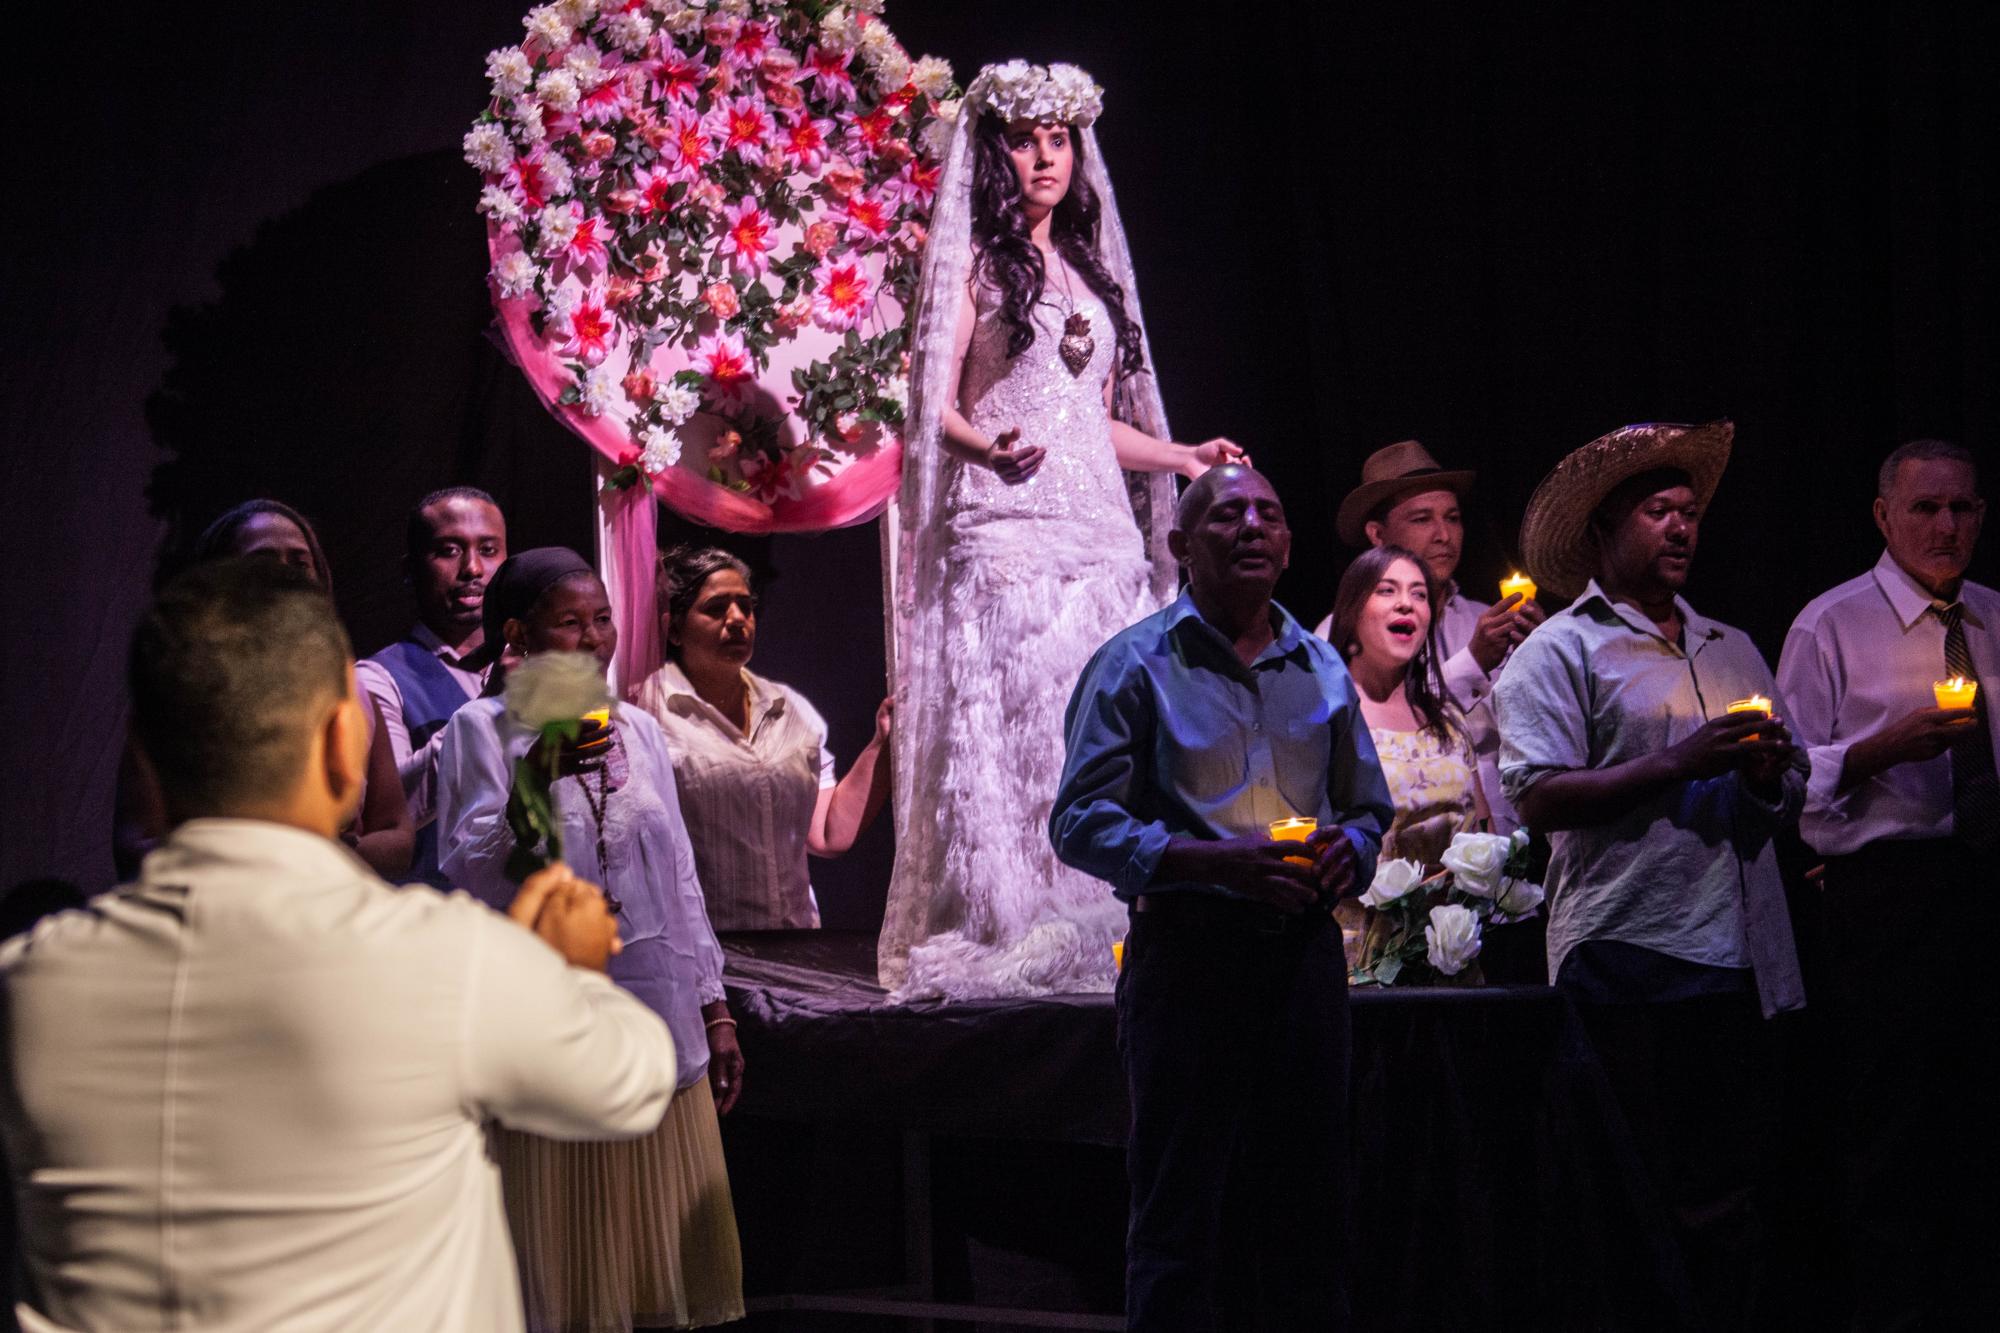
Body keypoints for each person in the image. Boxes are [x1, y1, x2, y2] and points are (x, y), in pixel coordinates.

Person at [1, 558, 675, 1333]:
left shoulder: (28, 985)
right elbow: (632, 1080)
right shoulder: (442, 962)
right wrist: (570, 967)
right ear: (343, 743)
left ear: (144, 762)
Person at [882, 61, 1245, 999]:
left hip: (1098, 540)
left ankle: (1109, 920)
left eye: (1059, 139)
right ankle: (1019, 918)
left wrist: (1184, 457)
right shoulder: (974, 266)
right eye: (1024, 139)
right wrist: (984, 444)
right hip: (1007, 538)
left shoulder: (1087, 273)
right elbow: (927, 404)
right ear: (995, 154)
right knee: (1020, 732)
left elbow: (1089, 423)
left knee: (1099, 736)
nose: (1044, 157)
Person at [1051, 465, 1392, 1331]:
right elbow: (1079, 822)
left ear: (1286, 546)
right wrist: (1210, 861)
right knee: (1179, 1222)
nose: (1251, 526)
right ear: (1180, 544)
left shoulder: (1319, 665)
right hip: (1189, 961)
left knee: (1311, 1217)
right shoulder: (1133, 662)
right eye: (1227, 513)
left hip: (1303, 964)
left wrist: (1349, 851)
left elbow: (1367, 807)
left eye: (1268, 514)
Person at [1494, 421, 1804, 1330]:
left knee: (1731, 1195)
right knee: (1632, 1202)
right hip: (1629, 945)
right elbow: (1541, 797)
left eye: (1690, 512)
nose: (1679, 527)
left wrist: (1760, 777)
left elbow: (1782, 801)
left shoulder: (1730, 645)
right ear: (1602, 529)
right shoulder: (1561, 651)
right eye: (1656, 510)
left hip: (1739, 947)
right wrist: (1688, 759)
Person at [436, 547, 743, 1331]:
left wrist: (715, 1006)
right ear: (518, 634)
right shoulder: (480, 729)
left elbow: (677, 873)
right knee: (565, 1284)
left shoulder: (637, 729)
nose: (594, 636)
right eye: (569, 622)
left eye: (602, 618)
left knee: (650, 1283)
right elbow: (470, 870)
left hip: (653, 1017)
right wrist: (538, 775)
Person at [1774, 437, 1995, 1329]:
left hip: (1983, 886)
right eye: (1925, 508)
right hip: (1887, 897)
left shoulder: (1988, 614)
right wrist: (1880, 749)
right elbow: (1784, 777)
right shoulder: (1830, 624)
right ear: (1882, 515)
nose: (1946, 525)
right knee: (1891, 1128)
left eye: (1964, 508)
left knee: (1977, 1120)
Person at [113, 499, 413, 882]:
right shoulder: (178, 687)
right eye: (265, 561)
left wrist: (326, 853)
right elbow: (135, 844)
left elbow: (396, 836)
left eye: (299, 562)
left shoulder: (351, 688)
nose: (286, 576)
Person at [632, 546, 891, 931]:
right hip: (705, 948)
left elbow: (826, 834)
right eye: (716, 607)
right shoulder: (645, 711)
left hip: (795, 945)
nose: (737, 619)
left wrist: (881, 744)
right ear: (674, 628)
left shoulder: (790, 709)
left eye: (745, 606)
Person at [1318, 440, 1542, 833]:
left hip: (1499, 846)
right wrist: (1473, 662)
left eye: (1452, 518)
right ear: (1378, 534)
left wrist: (1541, 661)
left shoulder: (1481, 616)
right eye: (1422, 519)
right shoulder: (1342, 633)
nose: (1443, 534)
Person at [1321, 544, 1488, 969]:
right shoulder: (1326, 716)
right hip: (1357, 956)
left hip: (1448, 949)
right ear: (1352, 612)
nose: (1405, 604)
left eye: (1418, 594)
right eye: (1387, 590)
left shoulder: (1447, 717)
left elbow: (1482, 828)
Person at [354, 486, 509, 886]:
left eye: (489, 550)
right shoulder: (378, 678)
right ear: (411, 569)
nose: (473, 569)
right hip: (435, 920)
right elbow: (388, 813)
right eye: (450, 551)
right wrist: (493, 703)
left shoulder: (528, 664)